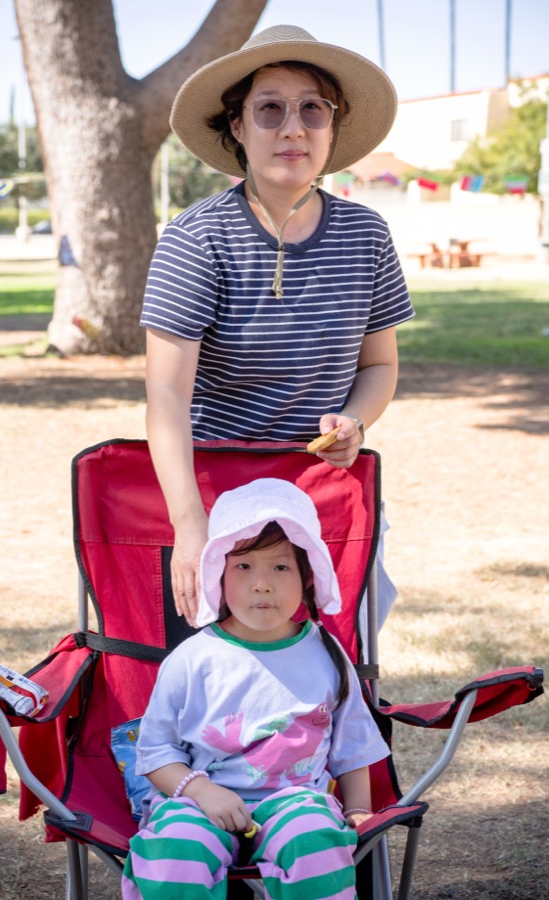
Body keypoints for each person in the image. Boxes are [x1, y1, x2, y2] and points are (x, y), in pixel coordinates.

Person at [141, 24, 415, 626]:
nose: (293, 128)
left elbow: (379, 365)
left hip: (323, 489)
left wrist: (354, 421)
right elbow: (166, 397)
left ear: (333, 126)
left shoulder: (367, 234)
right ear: (237, 125)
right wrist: (190, 525)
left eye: (313, 109)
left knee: (341, 651)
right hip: (216, 491)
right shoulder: (196, 237)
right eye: (270, 109)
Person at [121, 478, 390, 900]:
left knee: (315, 843)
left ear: (307, 577)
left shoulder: (326, 653)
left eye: (281, 567)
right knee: (174, 849)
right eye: (243, 566)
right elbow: (155, 752)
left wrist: (357, 809)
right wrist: (200, 790)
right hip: (200, 800)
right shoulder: (192, 659)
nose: (262, 584)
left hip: (297, 801)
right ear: (218, 575)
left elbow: (352, 745)